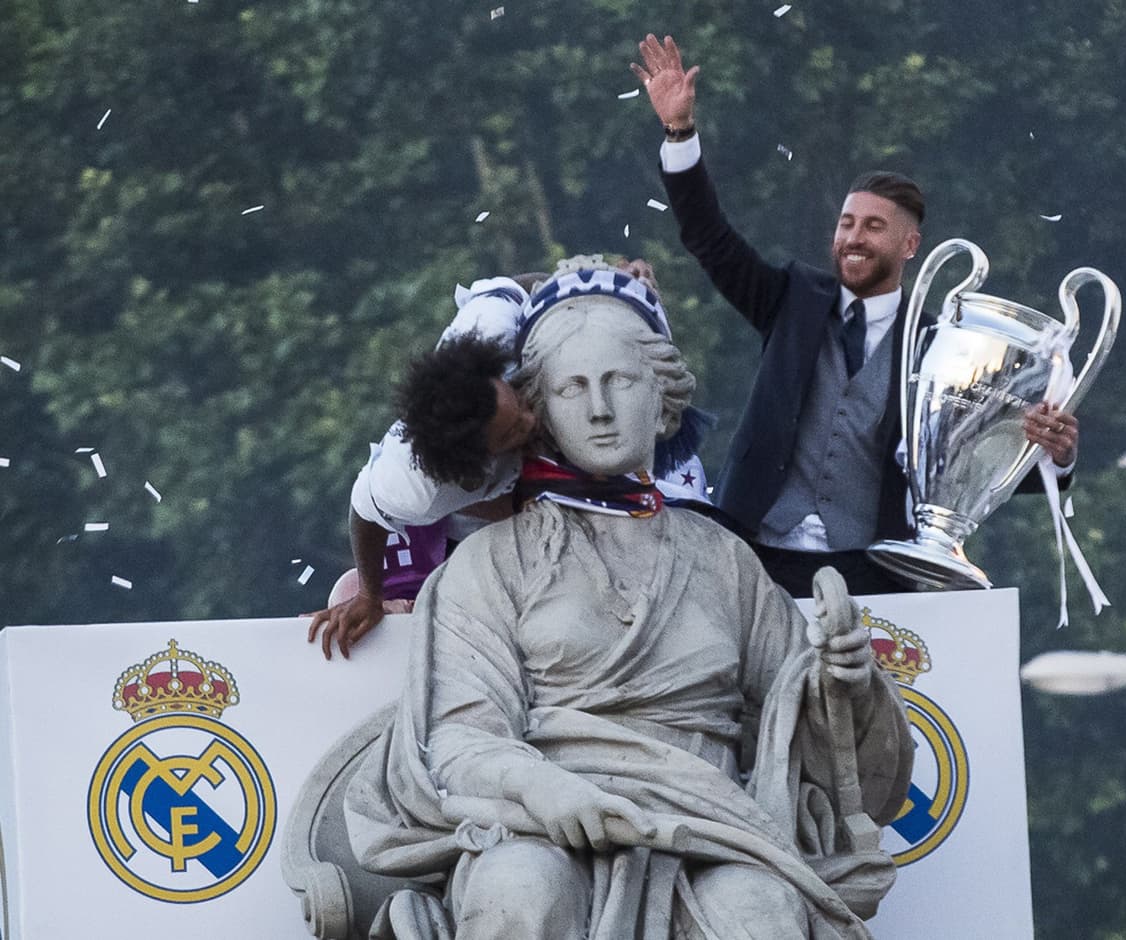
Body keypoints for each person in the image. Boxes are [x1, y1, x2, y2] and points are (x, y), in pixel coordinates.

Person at [341, 264, 913, 939]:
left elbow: (816, 748)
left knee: (757, 911)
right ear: (543, 407)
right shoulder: (491, 561)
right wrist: (546, 789)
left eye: (619, 381)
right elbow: (461, 739)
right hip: (545, 825)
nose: (600, 409)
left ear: (663, 396)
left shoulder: (723, 558)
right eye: (572, 388)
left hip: (713, 830)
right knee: (520, 887)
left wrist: (845, 683)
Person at [631, 34, 1080, 598]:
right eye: (847, 223)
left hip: (873, 569)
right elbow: (707, 236)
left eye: (873, 227)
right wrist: (679, 132)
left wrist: (1054, 457)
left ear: (910, 245)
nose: (853, 238)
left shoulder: (939, 349)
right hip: (757, 557)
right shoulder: (789, 300)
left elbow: (973, 465)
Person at [307, 257, 711, 659]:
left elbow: (529, 288)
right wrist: (369, 596)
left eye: (517, 402)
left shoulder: (490, 328)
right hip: (487, 516)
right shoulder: (413, 484)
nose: (531, 419)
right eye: (513, 430)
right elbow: (363, 510)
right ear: (476, 462)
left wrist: (600, 284)